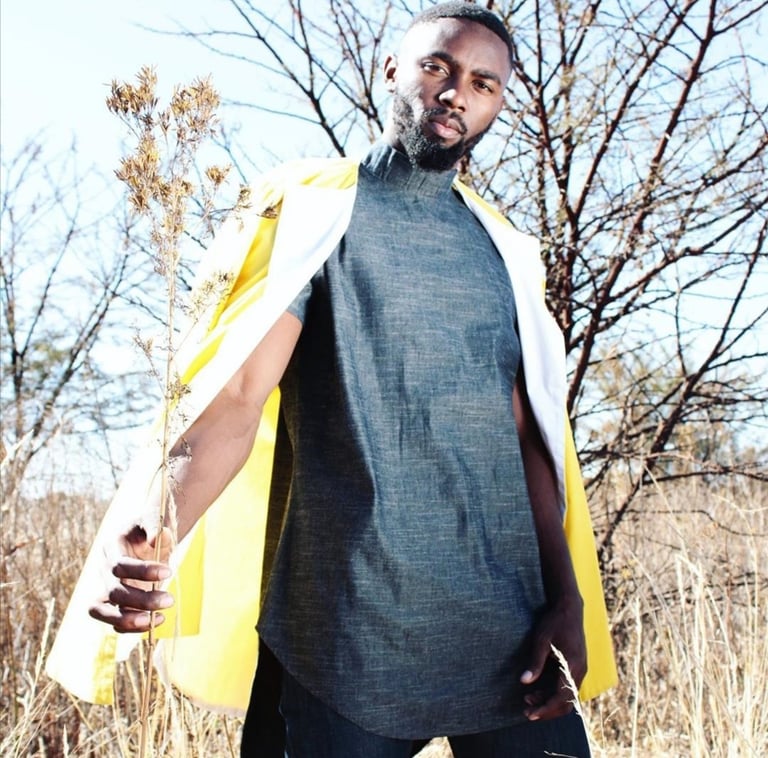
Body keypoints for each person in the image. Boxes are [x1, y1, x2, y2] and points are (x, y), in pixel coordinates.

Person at [53, 2, 616, 756]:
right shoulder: (312, 215)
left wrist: (565, 597)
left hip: (507, 625)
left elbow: (528, 439)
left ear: (498, 103)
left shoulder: (505, 251)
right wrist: (160, 529)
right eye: (438, 67)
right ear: (393, 70)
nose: (456, 93)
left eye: (483, 83)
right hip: (346, 627)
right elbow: (235, 400)